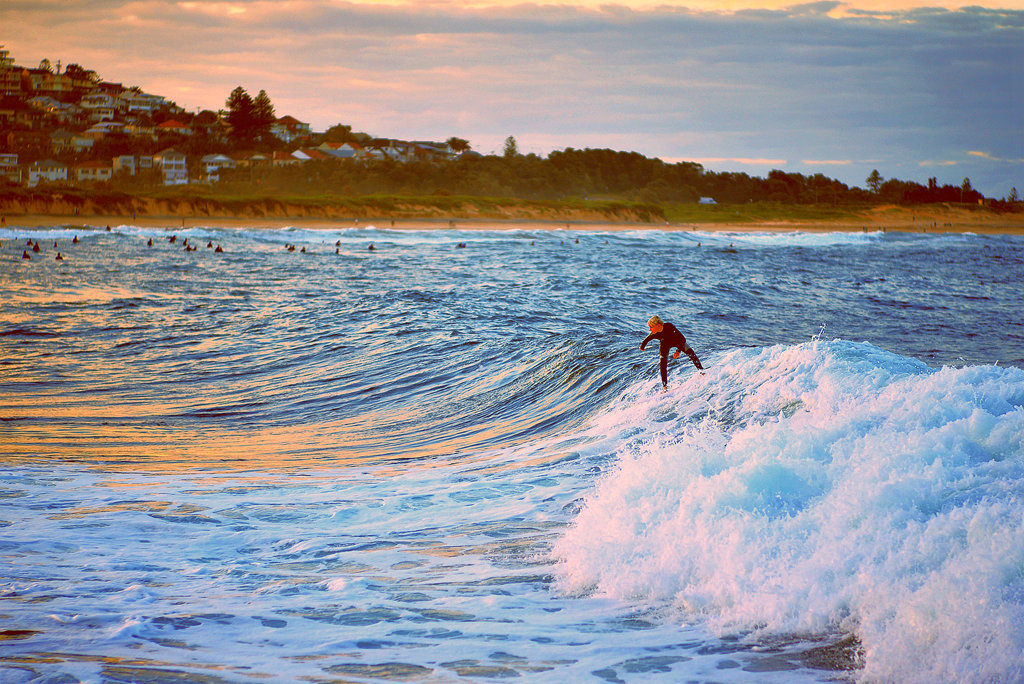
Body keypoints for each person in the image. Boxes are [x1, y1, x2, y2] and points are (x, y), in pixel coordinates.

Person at [640, 315, 704, 389]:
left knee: (691, 354)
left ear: (658, 325)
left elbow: (682, 339)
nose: (650, 329)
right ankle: (665, 387)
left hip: (678, 341)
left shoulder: (669, 327)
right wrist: (642, 347)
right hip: (665, 344)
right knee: (662, 364)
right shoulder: (655, 333)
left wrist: (678, 351)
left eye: (651, 327)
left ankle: (702, 371)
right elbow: (646, 340)